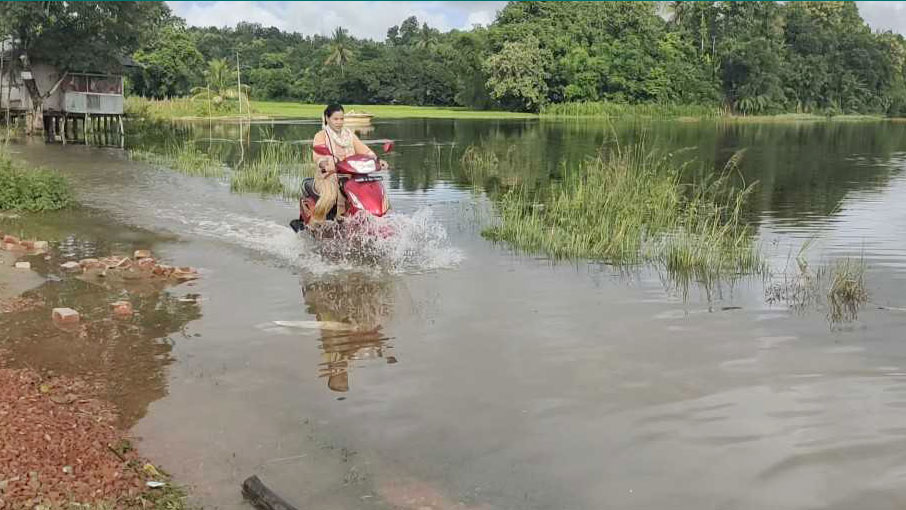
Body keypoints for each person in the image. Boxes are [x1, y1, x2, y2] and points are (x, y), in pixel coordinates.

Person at [311, 103, 380, 223]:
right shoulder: (321, 136)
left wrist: (377, 160)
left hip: (351, 177)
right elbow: (318, 155)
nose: (339, 122)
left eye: (342, 119)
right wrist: (324, 163)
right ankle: (315, 224)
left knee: (368, 193)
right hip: (328, 177)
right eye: (335, 119)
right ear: (327, 119)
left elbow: (364, 150)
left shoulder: (349, 135)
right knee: (330, 197)